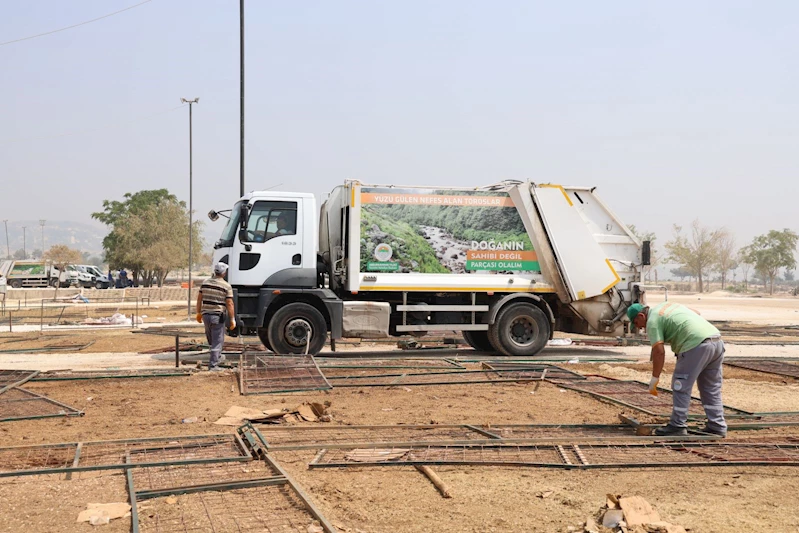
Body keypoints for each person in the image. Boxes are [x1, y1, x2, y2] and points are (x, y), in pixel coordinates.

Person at [627, 302, 726, 437]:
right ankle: (717, 425)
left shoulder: (653, 321)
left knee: (681, 385)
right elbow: (695, 312)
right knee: (710, 387)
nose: (639, 327)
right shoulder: (668, 306)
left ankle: (677, 425)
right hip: (716, 341)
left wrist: (655, 378)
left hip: (696, 345)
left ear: (641, 315)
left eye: (636, 323)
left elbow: (659, 352)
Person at [196, 262, 236, 371]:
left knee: (211, 340)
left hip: (205, 316)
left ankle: (217, 357)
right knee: (217, 341)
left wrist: (198, 313)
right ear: (223, 273)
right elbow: (229, 303)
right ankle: (213, 366)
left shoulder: (205, 283)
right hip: (217, 316)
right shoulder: (226, 286)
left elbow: (199, 299)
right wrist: (232, 319)